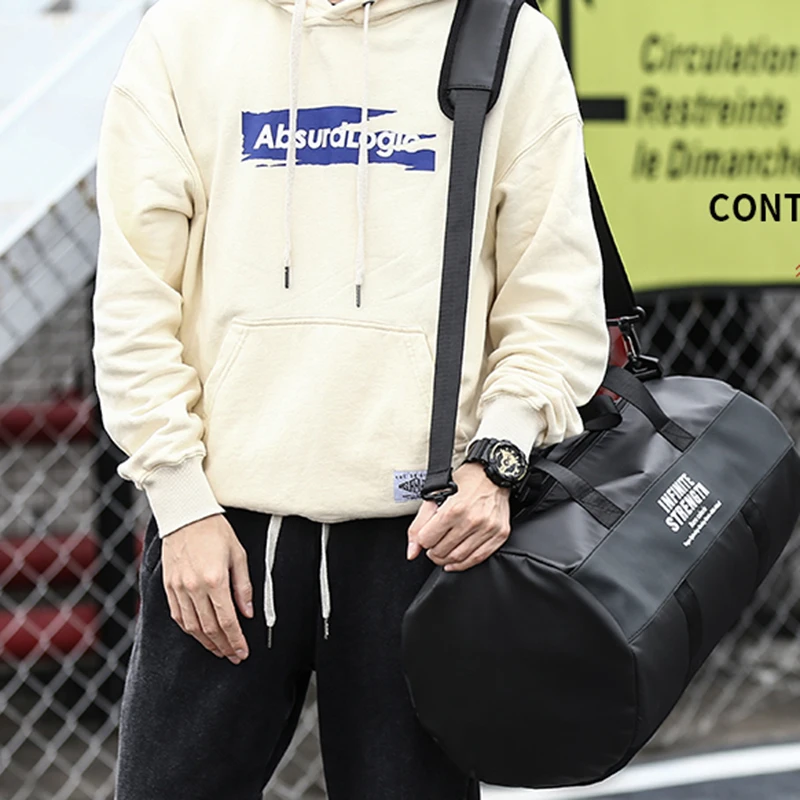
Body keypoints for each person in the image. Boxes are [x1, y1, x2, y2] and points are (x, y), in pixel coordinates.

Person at [91, 0, 610, 795]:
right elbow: (135, 296)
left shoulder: (504, 36)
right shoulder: (187, 29)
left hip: (426, 532)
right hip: (220, 529)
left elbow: (553, 297)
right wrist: (179, 503)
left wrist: (496, 462)